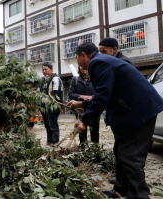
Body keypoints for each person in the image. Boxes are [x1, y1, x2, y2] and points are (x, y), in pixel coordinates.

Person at [67, 42, 163, 199]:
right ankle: (121, 190)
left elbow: (103, 95)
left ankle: (139, 195)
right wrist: (81, 103)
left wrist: (84, 121)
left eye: (77, 59)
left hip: (139, 111)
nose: (78, 63)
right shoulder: (104, 61)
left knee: (130, 157)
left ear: (83, 55)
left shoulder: (98, 63)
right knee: (120, 152)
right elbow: (106, 94)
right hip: (132, 111)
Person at [99, 37, 134, 185]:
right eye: (99, 52)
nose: (101, 55)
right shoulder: (111, 62)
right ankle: (120, 181)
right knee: (118, 147)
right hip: (119, 113)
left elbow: (108, 92)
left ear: (114, 49)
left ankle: (129, 183)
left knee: (126, 151)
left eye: (104, 51)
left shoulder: (122, 63)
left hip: (127, 113)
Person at [68, 65, 99, 144]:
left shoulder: (95, 78)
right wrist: (81, 96)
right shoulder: (75, 79)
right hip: (80, 109)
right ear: (79, 68)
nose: (83, 68)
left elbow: (100, 93)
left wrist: (92, 97)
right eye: (81, 66)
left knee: (94, 130)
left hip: (93, 107)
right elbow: (71, 94)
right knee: (82, 130)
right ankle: (83, 147)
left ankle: (95, 148)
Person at [39, 62, 63, 146]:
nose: (44, 71)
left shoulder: (55, 79)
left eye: (46, 69)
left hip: (53, 106)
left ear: (51, 70)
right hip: (44, 106)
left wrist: (47, 100)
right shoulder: (44, 80)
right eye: (43, 69)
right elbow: (40, 92)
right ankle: (49, 141)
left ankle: (55, 142)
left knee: (53, 124)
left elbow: (55, 93)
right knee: (47, 125)